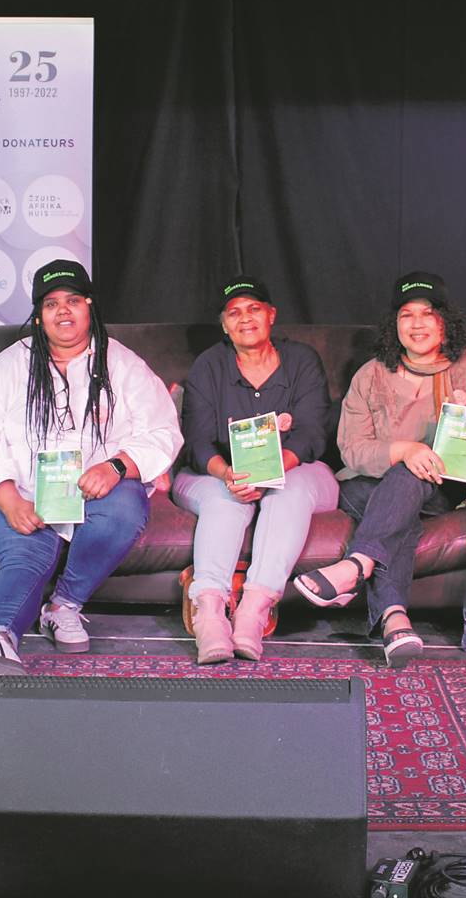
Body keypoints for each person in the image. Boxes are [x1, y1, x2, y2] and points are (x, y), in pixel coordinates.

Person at [0, 260, 182, 679]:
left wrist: (117, 465)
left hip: (96, 492)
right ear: (39, 316)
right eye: (51, 304)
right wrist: (7, 497)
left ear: (89, 306)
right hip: (25, 491)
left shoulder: (122, 363)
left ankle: (62, 607)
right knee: (25, 556)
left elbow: (162, 429)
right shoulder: (10, 364)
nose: (63, 312)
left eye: (73, 301)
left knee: (125, 508)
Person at [291, 271, 466, 667]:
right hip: (364, 487)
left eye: (428, 314)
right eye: (406, 315)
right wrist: (404, 450)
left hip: (440, 489)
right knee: (400, 505)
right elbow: (351, 449)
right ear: (394, 325)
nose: (417, 324)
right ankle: (394, 619)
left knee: (409, 479)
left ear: (445, 322)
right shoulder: (371, 374)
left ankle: (356, 566)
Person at [173, 276, 335, 663]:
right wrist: (228, 473)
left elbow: (312, 434)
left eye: (254, 309)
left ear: (271, 315)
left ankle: (253, 611)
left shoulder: (302, 360)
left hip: (295, 470)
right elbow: (197, 442)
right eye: (234, 313)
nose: (245, 318)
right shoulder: (209, 365)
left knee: (289, 491)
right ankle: (210, 613)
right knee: (225, 500)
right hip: (217, 473)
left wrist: (269, 473)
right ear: (224, 325)